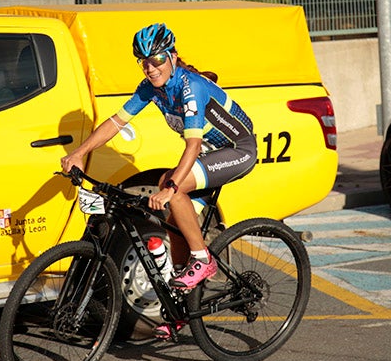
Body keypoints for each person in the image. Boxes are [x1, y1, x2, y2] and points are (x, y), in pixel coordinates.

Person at [61, 23, 257, 337]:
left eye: (157, 60)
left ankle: (203, 260)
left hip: (236, 150)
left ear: (173, 57)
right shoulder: (152, 87)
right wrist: (80, 152)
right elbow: (115, 122)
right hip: (207, 152)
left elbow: (193, 145)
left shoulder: (191, 87)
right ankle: (183, 306)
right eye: (144, 62)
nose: (151, 68)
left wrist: (172, 189)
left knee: (171, 186)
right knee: (176, 215)